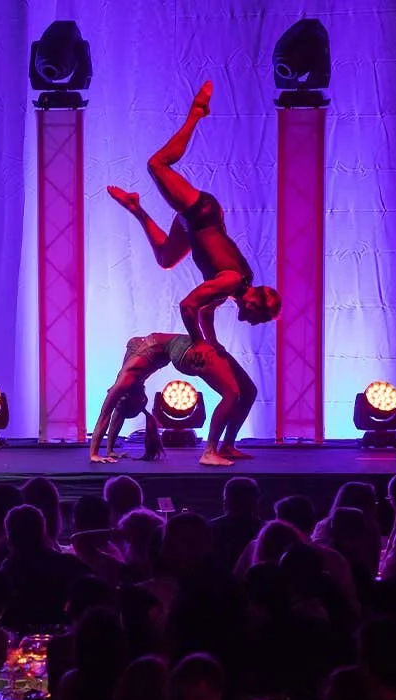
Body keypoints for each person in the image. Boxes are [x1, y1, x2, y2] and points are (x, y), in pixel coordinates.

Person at [107, 80, 281, 348]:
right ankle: (196, 114)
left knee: (166, 259)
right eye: (258, 318)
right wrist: (199, 343)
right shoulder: (232, 281)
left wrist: (213, 345)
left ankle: (135, 207)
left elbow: (205, 311)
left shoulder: (228, 292)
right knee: (157, 164)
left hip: (193, 225)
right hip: (201, 214)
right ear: (254, 302)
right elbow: (189, 305)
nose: (251, 323)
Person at [89, 333, 258, 467]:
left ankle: (222, 448)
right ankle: (219, 449)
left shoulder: (125, 382)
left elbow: (105, 415)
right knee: (238, 393)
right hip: (173, 347)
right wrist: (108, 451)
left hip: (178, 347)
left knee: (239, 392)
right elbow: (115, 413)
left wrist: (94, 453)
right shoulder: (129, 383)